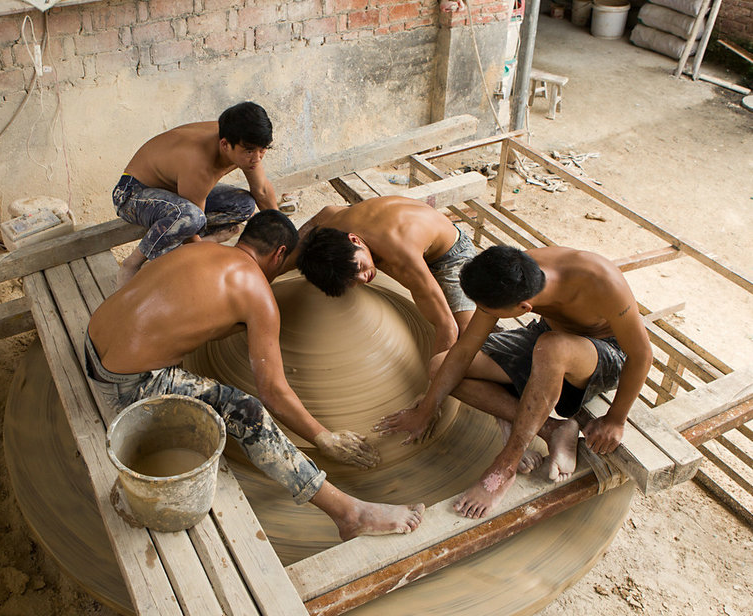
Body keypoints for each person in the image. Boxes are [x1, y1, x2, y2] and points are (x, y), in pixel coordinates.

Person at [86, 210, 424, 540]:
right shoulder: (257, 294)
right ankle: (349, 512)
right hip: (126, 383)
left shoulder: (198, 248)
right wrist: (324, 437)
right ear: (280, 254)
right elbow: (273, 393)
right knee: (246, 410)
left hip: (91, 343)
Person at [374, 245, 652, 519]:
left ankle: (505, 465)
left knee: (551, 347)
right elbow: (465, 350)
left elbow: (641, 355)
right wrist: (426, 409)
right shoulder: (510, 272)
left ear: (523, 307)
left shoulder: (602, 281)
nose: (483, 314)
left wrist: (616, 418)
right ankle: (554, 428)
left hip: (604, 353)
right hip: (548, 337)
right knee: (440, 366)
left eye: (486, 310)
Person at [290, 196, 478, 376]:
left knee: (469, 338)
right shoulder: (331, 227)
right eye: (353, 279)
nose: (364, 278)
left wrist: (431, 389)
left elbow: (447, 326)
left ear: (355, 240)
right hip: (406, 237)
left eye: (361, 268)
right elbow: (325, 213)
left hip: (450, 254)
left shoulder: (400, 256)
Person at [112, 101, 279, 288]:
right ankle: (132, 263)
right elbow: (192, 225)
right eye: (250, 151)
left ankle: (205, 241)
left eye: (263, 150)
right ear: (225, 145)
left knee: (244, 204)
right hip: (132, 194)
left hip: (177, 192)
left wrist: (283, 234)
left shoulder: (240, 136)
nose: (257, 158)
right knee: (190, 217)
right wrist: (212, 266)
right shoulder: (199, 163)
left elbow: (262, 190)